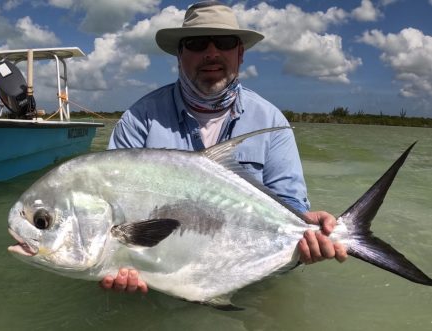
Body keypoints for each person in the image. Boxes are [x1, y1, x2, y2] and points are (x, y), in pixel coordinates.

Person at [101, 0, 347, 293]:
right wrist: (113, 260)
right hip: (157, 281)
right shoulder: (138, 120)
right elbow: (110, 208)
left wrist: (304, 229)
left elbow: (289, 205)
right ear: (180, 55)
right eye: (196, 43)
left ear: (240, 53)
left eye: (225, 42)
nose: (212, 52)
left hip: (250, 282)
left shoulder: (271, 121)